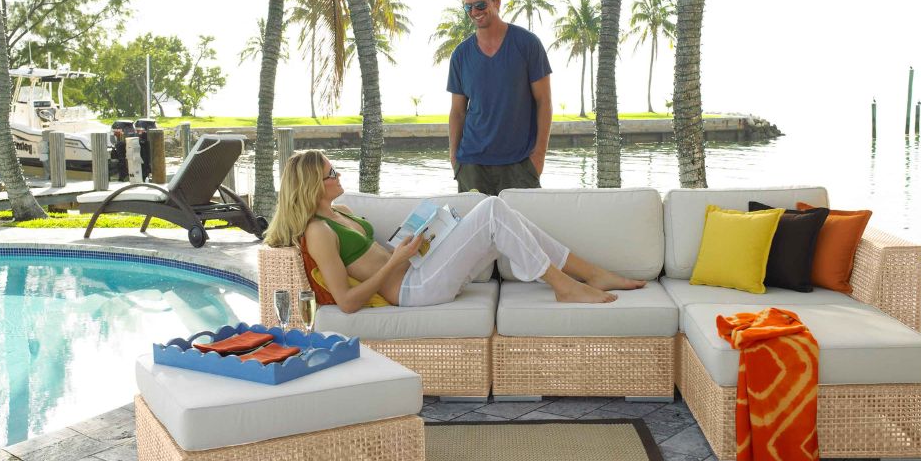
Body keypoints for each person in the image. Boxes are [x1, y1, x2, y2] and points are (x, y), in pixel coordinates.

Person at [264, 150, 644, 315]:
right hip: (413, 291)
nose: (339, 176)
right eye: (332, 173)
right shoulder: (318, 231)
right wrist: (395, 260)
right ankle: (566, 286)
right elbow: (347, 301)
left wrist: (412, 242)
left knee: (500, 214)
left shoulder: (341, 211)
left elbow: (374, 256)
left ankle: (588, 273)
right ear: (314, 183)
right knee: (492, 209)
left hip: (419, 269)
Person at [447, 0, 553, 196]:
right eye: (468, 7)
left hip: (520, 164)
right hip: (471, 165)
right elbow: (457, 112)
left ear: (496, 1)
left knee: (519, 230)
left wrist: (539, 157)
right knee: (476, 230)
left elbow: (544, 102)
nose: (475, 12)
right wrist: (455, 159)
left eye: (480, 4)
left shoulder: (527, 44)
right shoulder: (460, 55)